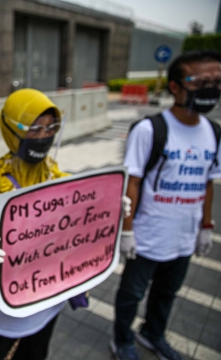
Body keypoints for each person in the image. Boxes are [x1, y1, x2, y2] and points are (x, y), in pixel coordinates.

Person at [111, 50, 221, 360]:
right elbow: (132, 181)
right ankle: (122, 341)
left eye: (216, 81)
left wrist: (206, 227)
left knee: (167, 293)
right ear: (175, 86)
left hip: (184, 236)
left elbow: (208, 181)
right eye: (201, 81)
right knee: (131, 294)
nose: (211, 88)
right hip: (148, 235)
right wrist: (127, 231)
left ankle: (153, 334)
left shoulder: (213, 133)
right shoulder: (150, 130)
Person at [0, 88, 68, 360]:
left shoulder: (60, 179)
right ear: (11, 128)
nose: (44, 136)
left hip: (49, 302)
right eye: (33, 128)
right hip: (3, 312)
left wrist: (111, 208)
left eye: (51, 127)